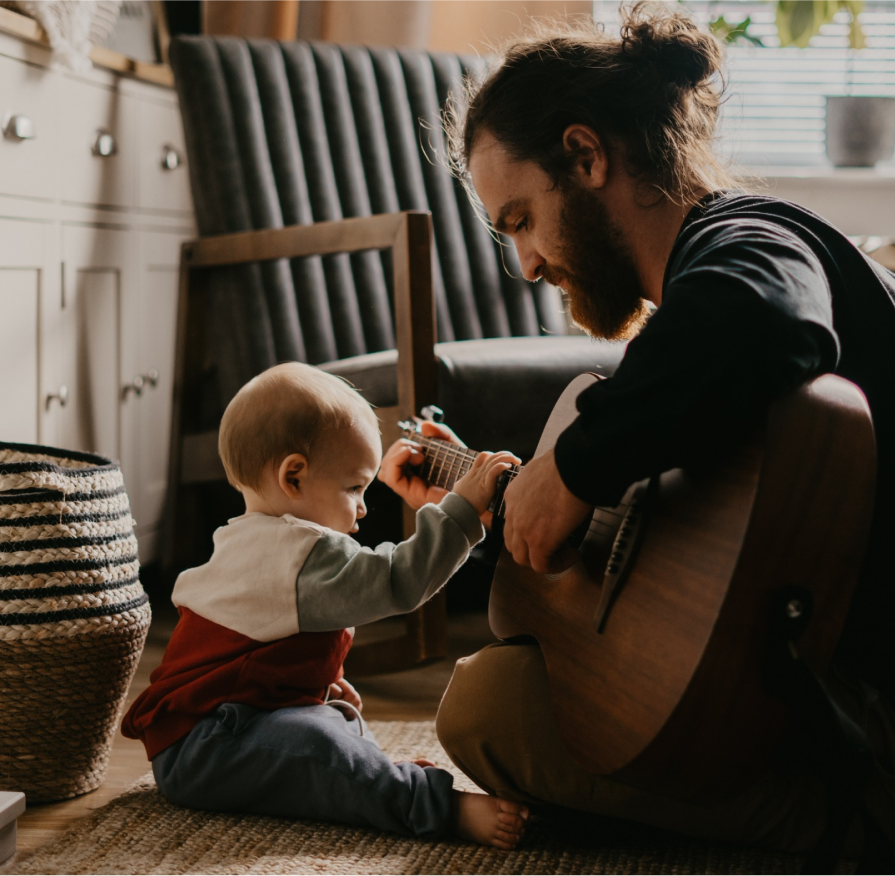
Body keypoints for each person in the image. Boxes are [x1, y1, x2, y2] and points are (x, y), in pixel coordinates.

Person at [377, 0, 894, 862]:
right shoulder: (685, 313)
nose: (527, 263)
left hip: (870, 716)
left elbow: (767, 325)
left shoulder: (748, 235)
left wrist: (574, 468)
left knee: (484, 709)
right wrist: (498, 496)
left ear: (584, 156)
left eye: (520, 220)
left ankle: (851, 828)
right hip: (820, 679)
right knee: (509, 681)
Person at [120, 362, 528, 847]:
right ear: (293, 477)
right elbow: (399, 580)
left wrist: (314, 680)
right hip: (205, 748)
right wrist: (460, 508)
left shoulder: (248, 540)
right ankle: (435, 805)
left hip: (221, 729)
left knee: (333, 724)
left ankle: (370, 778)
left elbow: (245, 650)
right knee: (322, 745)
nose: (363, 507)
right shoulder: (299, 553)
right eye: (354, 488)